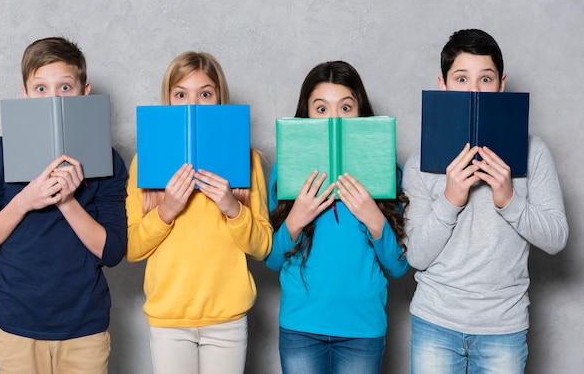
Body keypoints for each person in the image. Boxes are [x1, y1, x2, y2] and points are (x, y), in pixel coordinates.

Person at [403, 29, 569, 374]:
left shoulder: (533, 152)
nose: (474, 90)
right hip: (435, 322)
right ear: (443, 85)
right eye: (461, 78)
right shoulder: (420, 160)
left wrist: (508, 199)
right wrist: (451, 199)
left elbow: (556, 239)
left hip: (503, 327)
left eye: (486, 79)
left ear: (501, 84)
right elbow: (416, 256)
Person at [0, 37, 128, 374]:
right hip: (17, 322)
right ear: (24, 94)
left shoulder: (107, 160)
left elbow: (112, 252)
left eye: (65, 87)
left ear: (85, 92)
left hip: (84, 325)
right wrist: (26, 200)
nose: (53, 97)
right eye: (41, 88)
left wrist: (68, 202)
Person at [125, 51, 273, 374]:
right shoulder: (145, 161)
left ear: (220, 99)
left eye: (205, 93)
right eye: (181, 94)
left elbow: (262, 247)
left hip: (227, 318)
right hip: (168, 318)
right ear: (168, 100)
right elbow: (133, 249)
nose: (193, 103)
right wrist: (167, 210)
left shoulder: (246, 161)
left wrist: (232, 207)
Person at [265, 60, 409, 374]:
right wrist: (296, 219)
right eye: (321, 109)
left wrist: (373, 217)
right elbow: (272, 261)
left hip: (363, 328)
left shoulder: (385, 172)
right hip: (301, 326)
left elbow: (398, 266)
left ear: (361, 113)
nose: (334, 118)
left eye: (345, 108)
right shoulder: (285, 171)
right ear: (306, 115)